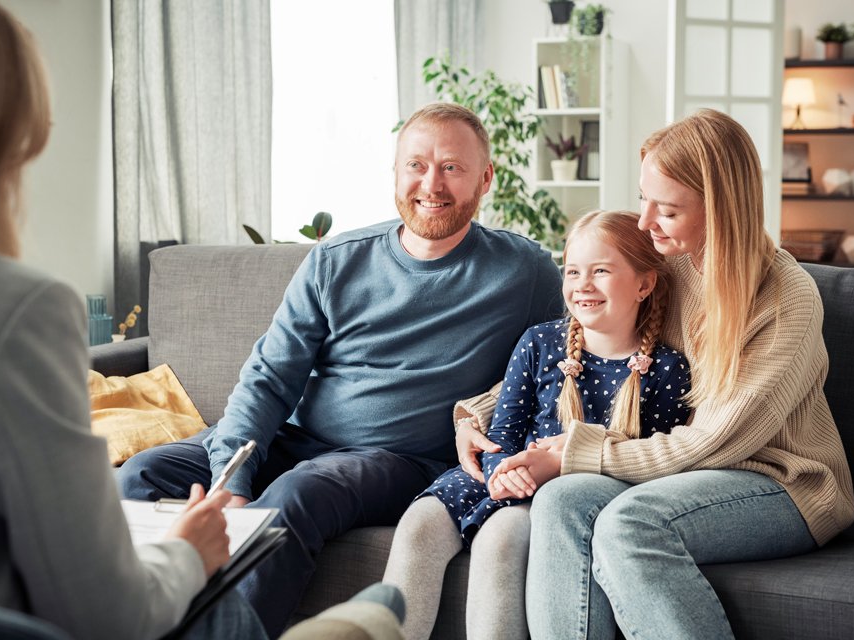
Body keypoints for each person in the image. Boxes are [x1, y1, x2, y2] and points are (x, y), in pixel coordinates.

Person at [117, 102, 564, 637]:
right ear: (396, 173)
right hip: (296, 435)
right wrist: (233, 474)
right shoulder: (336, 260)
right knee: (138, 476)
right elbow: (269, 377)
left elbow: (558, 362)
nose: (432, 183)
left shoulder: (527, 271)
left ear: (485, 178)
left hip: (401, 459)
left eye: (452, 167)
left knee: (299, 492)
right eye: (417, 165)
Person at [460, 109, 854, 640]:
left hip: (781, 482)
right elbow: (583, 341)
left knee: (631, 524)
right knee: (559, 499)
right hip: (686, 470)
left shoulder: (786, 301)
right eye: (644, 198)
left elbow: (717, 443)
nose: (644, 222)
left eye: (666, 210)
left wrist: (578, 452)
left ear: (720, 209)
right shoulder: (666, 269)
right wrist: (479, 413)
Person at [0, 1, 265, 639]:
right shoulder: (17, 311)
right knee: (221, 602)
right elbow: (109, 616)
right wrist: (186, 552)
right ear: (12, 130)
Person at [383, 210, 692, 640]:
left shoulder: (666, 368)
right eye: (573, 271)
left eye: (601, 271)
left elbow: (645, 462)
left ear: (644, 283)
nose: (583, 284)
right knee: (419, 524)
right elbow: (505, 430)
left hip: (555, 494)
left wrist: (527, 484)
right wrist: (502, 476)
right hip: (502, 470)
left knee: (501, 539)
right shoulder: (540, 342)